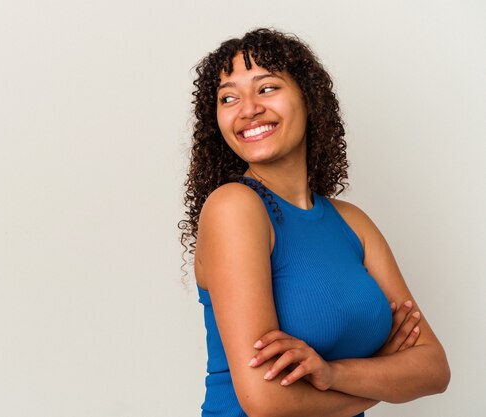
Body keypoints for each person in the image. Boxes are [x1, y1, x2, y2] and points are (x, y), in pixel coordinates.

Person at [178, 28, 450, 417]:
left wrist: (331, 373)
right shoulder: (233, 207)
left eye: (267, 88)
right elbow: (267, 401)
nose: (248, 108)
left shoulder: (353, 223)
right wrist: (383, 382)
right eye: (228, 97)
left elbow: (434, 369)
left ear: (309, 99)